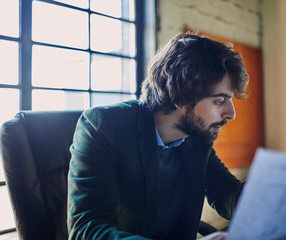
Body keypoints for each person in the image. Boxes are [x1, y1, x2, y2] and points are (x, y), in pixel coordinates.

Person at [67, 32, 249, 240]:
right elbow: (86, 228)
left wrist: (275, 202)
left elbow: (225, 191)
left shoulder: (196, 138)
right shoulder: (102, 127)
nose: (231, 113)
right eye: (220, 101)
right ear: (182, 95)